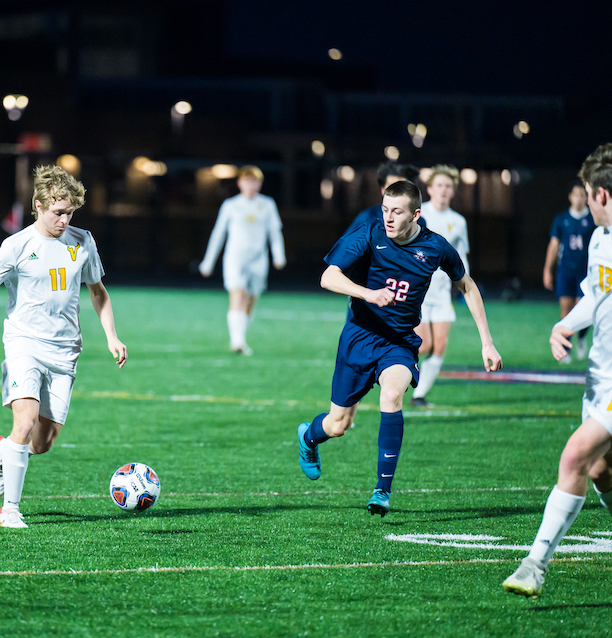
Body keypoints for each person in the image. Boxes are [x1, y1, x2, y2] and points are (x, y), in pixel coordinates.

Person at [296, 180, 502, 516]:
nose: (388, 218)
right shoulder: (369, 233)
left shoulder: (435, 247)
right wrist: (368, 293)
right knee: (339, 424)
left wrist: (487, 342)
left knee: (392, 395)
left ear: (415, 214)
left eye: (397, 212)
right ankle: (309, 438)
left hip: (399, 342)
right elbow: (328, 277)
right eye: (385, 209)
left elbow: (466, 285)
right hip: (359, 336)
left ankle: (382, 490)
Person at [0, 165, 127, 529]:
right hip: (24, 344)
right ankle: (10, 510)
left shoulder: (83, 242)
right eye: (58, 212)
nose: (64, 220)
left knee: (41, 443)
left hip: (65, 351)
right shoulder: (17, 246)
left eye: (70, 213)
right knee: (24, 419)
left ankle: (1, 450)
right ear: (38, 205)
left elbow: (98, 292)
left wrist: (112, 336)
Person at [503, 142, 612, 597]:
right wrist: (564, 324)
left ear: (599, 194)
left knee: (575, 456)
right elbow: (595, 298)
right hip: (599, 376)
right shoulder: (601, 238)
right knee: (604, 470)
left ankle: (534, 565)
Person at [199, 165, 286, 355]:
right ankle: (237, 341)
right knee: (237, 295)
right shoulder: (231, 205)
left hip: (258, 259)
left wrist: (279, 255)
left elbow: (275, 232)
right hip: (235, 258)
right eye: (247, 181)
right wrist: (208, 261)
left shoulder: (267, 204)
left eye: (254, 181)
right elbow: (218, 234)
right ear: (239, 183)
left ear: (260, 184)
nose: (250, 185)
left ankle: (241, 337)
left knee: (251, 298)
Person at [411, 165, 470, 407]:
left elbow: (461, 257)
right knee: (424, 344)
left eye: (448, 186)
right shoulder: (419, 214)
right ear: (430, 189)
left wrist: (467, 287)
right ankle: (393, 368)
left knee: (441, 345)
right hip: (419, 291)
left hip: (443, 292)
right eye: (439, 186)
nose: (444, 190)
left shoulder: (458, 221)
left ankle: (418, 396)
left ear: (453, 191)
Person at [543, 181, 595, 364]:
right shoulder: (561, 219)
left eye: (583, 195)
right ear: (570, 196)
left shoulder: (593, 220)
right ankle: (566, 349)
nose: (580, 198)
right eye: (577, 194)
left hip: (586, 272)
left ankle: (581, 338)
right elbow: (554, 245)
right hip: (565, 271)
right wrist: (547, 270)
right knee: (566, 310)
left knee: (584, 309)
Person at [343, 162, 421, 237]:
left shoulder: (419, 222)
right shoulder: (367, 218)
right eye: (391, 188)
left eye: (401, 188)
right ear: (383, 190)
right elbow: (345, 248)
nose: (395, 192)